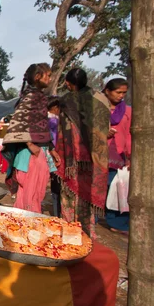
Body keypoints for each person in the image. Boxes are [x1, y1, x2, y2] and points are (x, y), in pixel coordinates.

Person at [55, 68, 110, 237]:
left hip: (72, 158)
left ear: (68, 83)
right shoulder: (101, 99)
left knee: (70, 193)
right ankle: (88, 231)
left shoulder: (67, 101)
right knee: (89, 193)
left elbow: (63, 132)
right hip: (95, 156)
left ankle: (70, 230)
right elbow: (105, 128)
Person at [2, 63, 61, 213]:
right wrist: (29, 144)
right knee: (30, 192)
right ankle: (25, 224)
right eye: (47, 75)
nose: (50, 78)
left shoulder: (38, 97)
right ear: (37, 77)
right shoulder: (32, 97)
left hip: (38, 151)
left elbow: (41, 126)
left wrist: (51, 149)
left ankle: (23, 223)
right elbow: (19, 124)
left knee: (33, 193)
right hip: (30, 153)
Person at [103, 78, 132, 234]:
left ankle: (117, 223)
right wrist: (103, 133)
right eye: (118, 92)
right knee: (99, 187)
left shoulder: (127, 111)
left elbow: (129, 134)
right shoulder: (99, 108)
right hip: (99, 154)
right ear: (107, 91)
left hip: (119, 156)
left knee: (117, 189)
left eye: (124, 93)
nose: (121, 96)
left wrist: (130, 157)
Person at [47, 96, 61, 217]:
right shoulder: (53, 121)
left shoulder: (47, 119)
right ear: (56, 108)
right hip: (55, 153)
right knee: (57, 185)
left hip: (51, 153)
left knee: (54, 185)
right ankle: (58, 213)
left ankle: (57, 212)